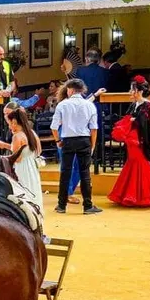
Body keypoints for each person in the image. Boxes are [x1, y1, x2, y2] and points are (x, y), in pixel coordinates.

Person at [108, 77, 150, 207]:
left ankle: (142, 195)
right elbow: (130, 117)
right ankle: (132, 194)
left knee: (140, 163)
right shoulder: (135, 104)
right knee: (132, 162)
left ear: (140, 91)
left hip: (139, 139)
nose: (130, 92)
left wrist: (132, 120)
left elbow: (144, 122)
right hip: (131, 139)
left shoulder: (147, 104)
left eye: (133, 89)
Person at [50, 79, 101, 214]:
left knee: (65, 172)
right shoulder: (89, 105)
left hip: (67, 140)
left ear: (70, 90)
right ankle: (88, 206)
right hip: (84, 140)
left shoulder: (62, 105)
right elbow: (94, 128)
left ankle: (61, 205)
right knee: (85, 173)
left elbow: (54, 127)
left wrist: (58, 140)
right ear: (82, 90)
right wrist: (92, 146)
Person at [0, 108, 44, 213]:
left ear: (14, 122)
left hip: (21, 168)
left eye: (9, 123)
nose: (9, 126)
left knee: (22, 190)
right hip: (31, 167)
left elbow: (17, 158)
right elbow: (39, 150)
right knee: (33, 188)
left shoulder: (17, 136)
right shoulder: (31, 133)